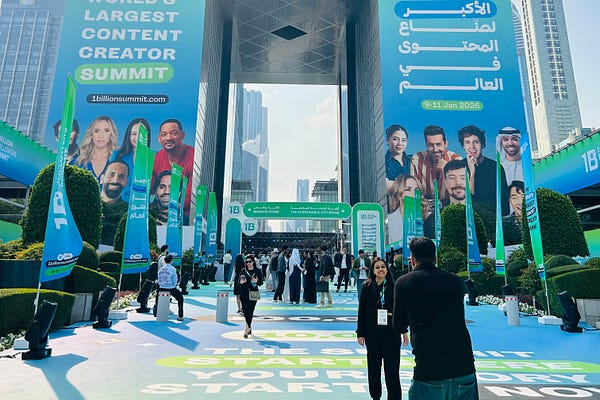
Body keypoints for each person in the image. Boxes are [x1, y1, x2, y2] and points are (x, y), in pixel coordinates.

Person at [393, 237, 478, 400]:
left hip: (429, 368)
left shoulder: (404, 283)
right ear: (435, 257)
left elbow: (398, 324)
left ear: (412, 259)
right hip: (464, 366)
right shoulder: (454, 281)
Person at [357, 258, 409, 400]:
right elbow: (362, 311)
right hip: (372, 333)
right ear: (373, 271)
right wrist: (360, 333)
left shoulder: (395, 286)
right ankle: (375, 396)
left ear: (387, 269)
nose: (381, 269)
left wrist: (404, 331)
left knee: (392, 370)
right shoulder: (367, 286)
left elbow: (401, 310)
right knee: (373, 369)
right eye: (377, 267)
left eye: (383, 267)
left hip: (391, 333)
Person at [458, 125, 509, 215]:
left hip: (493, 218)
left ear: (482, 144)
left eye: (476, 142)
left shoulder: (495, 167)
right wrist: (472, 173)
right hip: (468, 219)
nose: (472, 146)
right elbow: (465, 202)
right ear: (463, 146)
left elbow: (504, 204)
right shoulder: (459, 168)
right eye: (467, 142)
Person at [152, 119, 194, 222]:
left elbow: (190, 200)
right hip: (160, 216)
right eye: (164, 134)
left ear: (182, 135)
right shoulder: (158, 157)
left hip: (185, 220)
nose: (168, 138)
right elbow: (150, 188)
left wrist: (164, 209)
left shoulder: (194, 157)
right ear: (159, 139)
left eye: (173, 133)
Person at [410, 125, 461, 202]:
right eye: (431, 145)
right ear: (426, 145)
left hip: (451, 204)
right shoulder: (417, 159)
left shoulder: (457, 160)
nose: (435, 149)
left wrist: (448, 171)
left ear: (445, 144)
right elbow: (413, 191)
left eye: (438, 144)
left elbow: (462, 193)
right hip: (425, 205)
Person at [109, 117, 151, 201]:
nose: (138, 137)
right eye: (134, 134)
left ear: (148, 135)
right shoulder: (117, 155)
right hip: (118, 203)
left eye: (141, 133)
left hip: (142, 204)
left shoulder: (154, 156)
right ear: (129, 135)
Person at [73, 116, 118, 187]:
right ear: (91, 134)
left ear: (111, 134)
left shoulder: (118, 161)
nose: (101, 136)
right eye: (97, 131)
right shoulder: (78, 162)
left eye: (106, 131)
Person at [387, 174, 431, 245]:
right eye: (408, 189)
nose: (414, 193)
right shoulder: (390, 221)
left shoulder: (428, 218)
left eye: (416, 189)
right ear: (399, 194)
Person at [99, 160, 129, 246]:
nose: (115, 180)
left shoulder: (128, 213)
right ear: (101, 179)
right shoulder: (88, 205)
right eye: (111, 174)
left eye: (121, 176)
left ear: (126, 182)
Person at [238, 255, 263, 338]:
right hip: (244, 293)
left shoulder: (257, 271)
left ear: (253, 262)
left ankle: (246, 329)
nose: (248, 263)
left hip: (253, 293)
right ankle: (249, 327)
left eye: (250, 261)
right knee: (245, 312)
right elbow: (238, 282)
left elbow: (261, 283)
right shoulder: (243, 271)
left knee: (250, 311)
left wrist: (256, 281)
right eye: (247, 262)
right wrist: (241, 282)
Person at [157, 254, 185, 321]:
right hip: (171, 288)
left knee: (162, 301)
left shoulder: (160, 269)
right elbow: (175, 279)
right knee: (180, 299)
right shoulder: (173, 269)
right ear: (171, 260)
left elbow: (159, 279)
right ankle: (180, 316)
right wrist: (174, 286)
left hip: (161, 287)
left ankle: (162, 315)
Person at [385, 124, 412, 193]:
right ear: (387, 140)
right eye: (395, 139)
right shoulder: (383, 163)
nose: (400, 143)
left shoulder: (413, 160)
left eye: (403, 140)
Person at [502, 180, 525, 245]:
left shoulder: (540, 220)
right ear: (510, 201)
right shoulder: (503, 224)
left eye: (523, 197)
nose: (520, 202)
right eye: (514, 198)